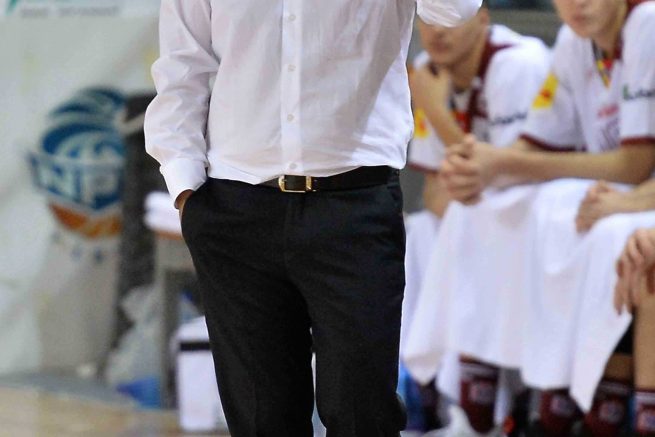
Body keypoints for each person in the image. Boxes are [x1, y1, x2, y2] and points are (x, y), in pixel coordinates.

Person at [143, 1, 481, 436]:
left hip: (353, 203)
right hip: (234, 208)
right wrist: (186, 190)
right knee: (262, 420)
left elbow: (454, 10)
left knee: (363, 414)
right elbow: (183, 65)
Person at [437, 0, 655, 435]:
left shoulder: (647, 22)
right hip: (620, 192)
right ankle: (488, 393)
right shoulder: (575, 43)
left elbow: (634, 164)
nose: (577, 3)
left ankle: (594, 398)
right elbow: (539, 144)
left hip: (641, 195)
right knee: (493, 205)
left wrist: (501, 162)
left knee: (610, 233)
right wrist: (484, 167)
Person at [401, 6, 550, 436]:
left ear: (482, 19)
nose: (436, 31)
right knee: (419, 233)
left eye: (451, 17)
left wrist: (436, 111)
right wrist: (472, 198)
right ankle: (432, 397)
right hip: (487, 212)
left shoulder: (517, 63)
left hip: (547, 205)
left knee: (474, 228)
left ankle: (487, 402)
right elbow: (435, 191)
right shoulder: (429, 71)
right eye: (428, 18)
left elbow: (508, 174)